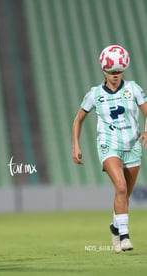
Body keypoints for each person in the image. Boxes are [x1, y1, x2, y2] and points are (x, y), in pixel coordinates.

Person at [72, 45, 147, 253]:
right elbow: (78, 120)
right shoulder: (94, 94)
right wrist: (76, 145)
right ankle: (124, 237)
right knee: (121, 187)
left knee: (125, 195)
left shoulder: (134, 89)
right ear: (104, 71)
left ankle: (115, 226)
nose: (115, 76)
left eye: (119, 71)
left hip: (132, 146)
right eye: (111, 72)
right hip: (108, 144)